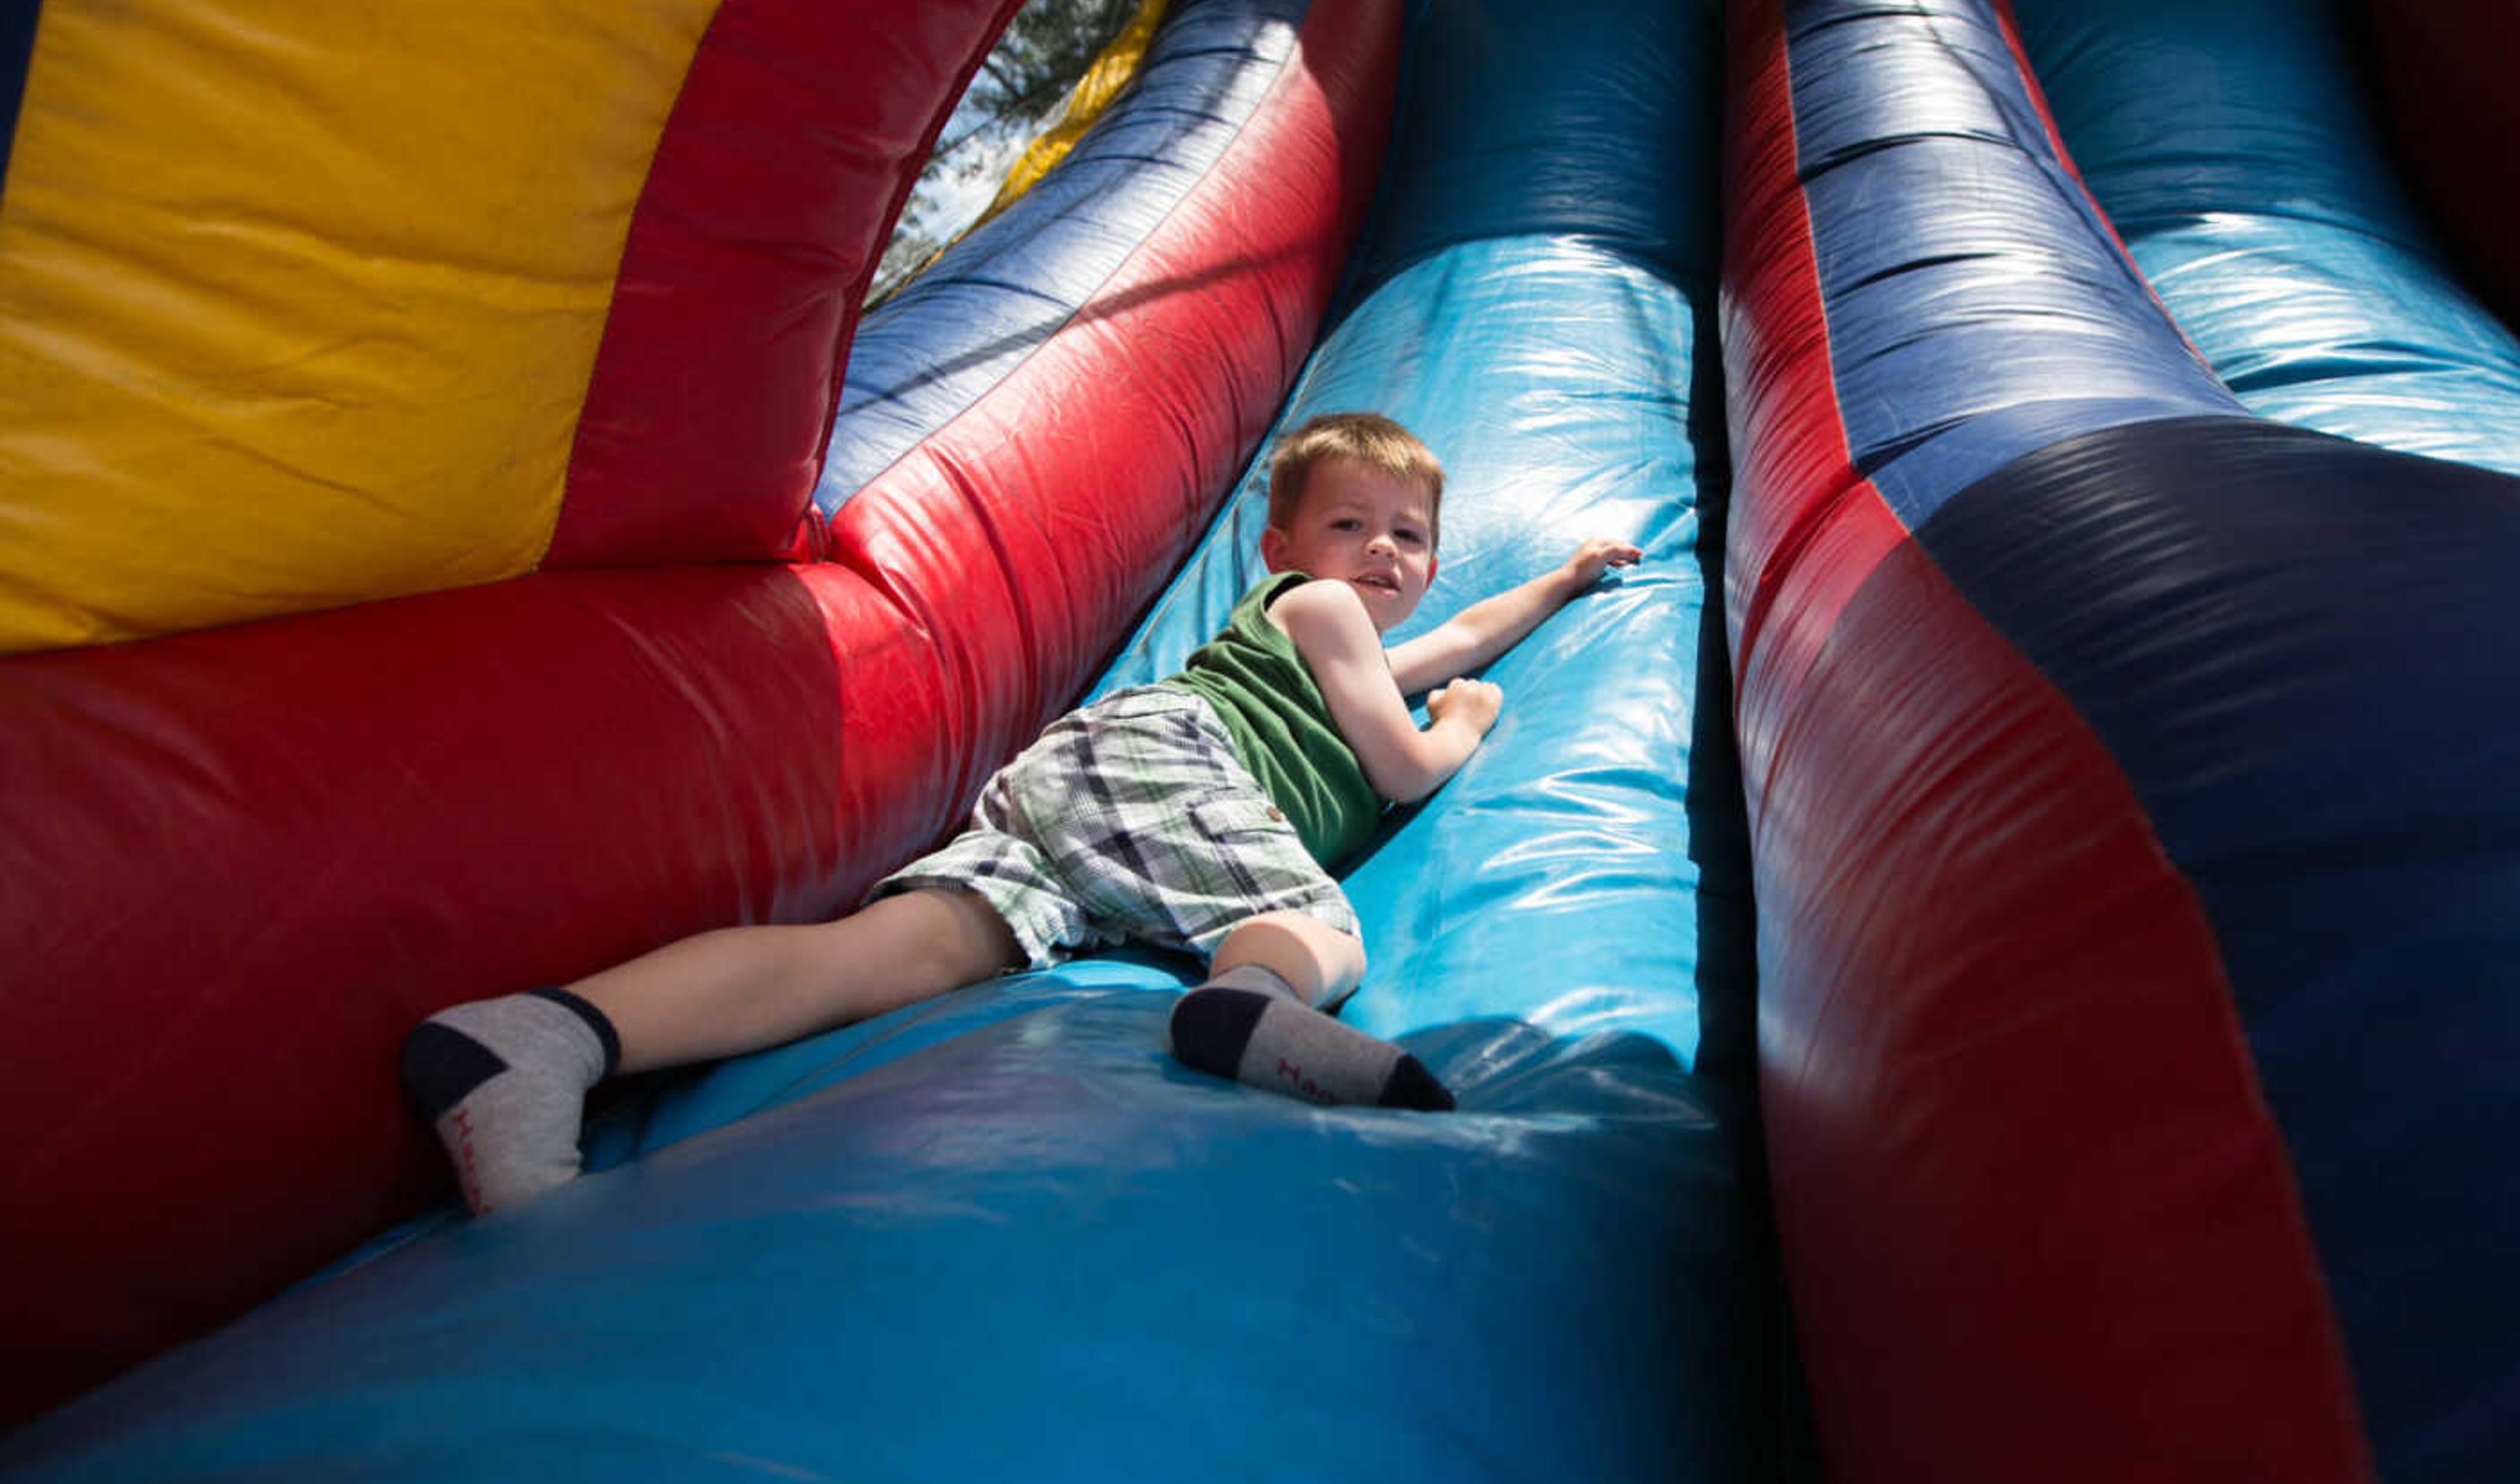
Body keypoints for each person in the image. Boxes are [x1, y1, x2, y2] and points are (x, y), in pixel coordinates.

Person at [402, 412, 1641, 1214]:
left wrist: (1569, 577)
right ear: (1281, 545)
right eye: (1349, 526)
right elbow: (1406, 762)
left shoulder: (1361, 639)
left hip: (1084, 799)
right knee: (1311, 920)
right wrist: (1467, 728)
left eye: (1410, 537)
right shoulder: (1312, 612)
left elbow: (1462, 636)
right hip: (1170, 765)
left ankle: (546, 1034)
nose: (1381, 555)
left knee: (899, 953)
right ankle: (1244, 1005)